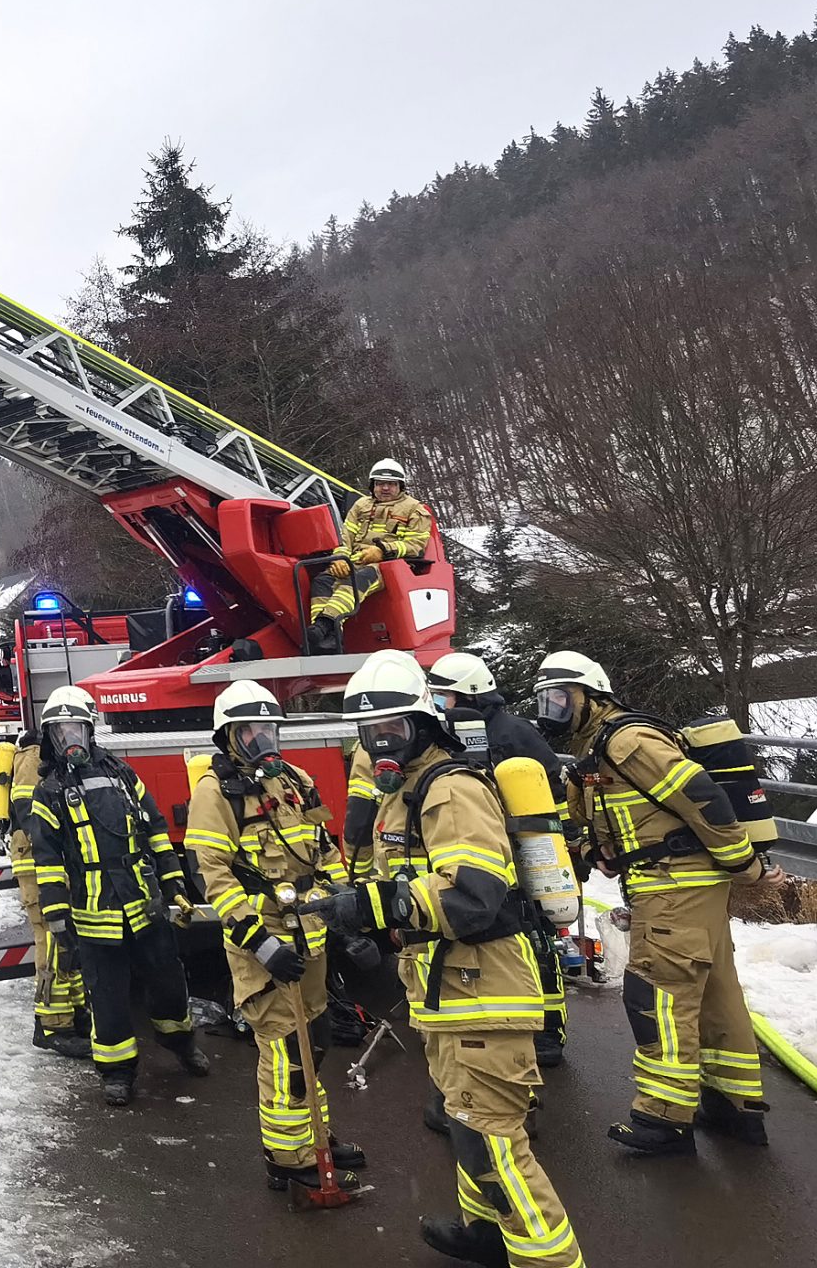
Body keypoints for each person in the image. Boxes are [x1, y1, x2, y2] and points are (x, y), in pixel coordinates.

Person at [322, 652, 580, 1268]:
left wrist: (369, 905)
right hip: (445, 989)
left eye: (393, 729)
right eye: (369, 733)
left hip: (484, 989)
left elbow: (473, 896)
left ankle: (549, 1258)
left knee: (493, 1141)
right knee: (466, 1125)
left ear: (424, 723)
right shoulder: (405, 793)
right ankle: (485, 1233)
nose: (381, 745)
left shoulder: (450, 789)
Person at [536, 649, 768, 1156]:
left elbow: (701, 797)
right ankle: (735, 1107)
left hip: (674, 886)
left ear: (591, 696)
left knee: (658, 996)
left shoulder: (627, 740)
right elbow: (623, 818)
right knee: (715, 994)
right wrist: (598, 852)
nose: (551, 709)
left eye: (560, 698)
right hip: (681, 884)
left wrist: (744, 864)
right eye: (545, 700)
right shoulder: (598, 749)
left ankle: (664, 1118)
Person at [188, 681, 361, 1193]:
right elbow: (213, 877)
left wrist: (345, 913)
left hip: (310, 936)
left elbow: (325, 851)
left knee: (316, 1040)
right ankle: (289, 1158)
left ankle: (315, 1136)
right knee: (285, 1049)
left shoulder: (297, 781)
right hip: (262, 944)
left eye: (269, 729)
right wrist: (262, 944)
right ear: (229, 737)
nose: (264, 739)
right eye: (251, 731)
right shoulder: (215, 793)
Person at [24, 687, 211, 1105]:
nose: (69, 739)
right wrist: (57, 919)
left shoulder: (122, 774)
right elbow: (47, 861)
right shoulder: (49, 792)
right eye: (60, 732)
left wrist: (173, 884)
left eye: (76, 729)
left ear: (89, 731)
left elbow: (156, 829)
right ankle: (117, 1072)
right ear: (51, 737)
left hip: (145, 904)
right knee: (107, 998)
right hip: (94, 913)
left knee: (168, 984)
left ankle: (181, 1044)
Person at [426, 651, 572, 1069]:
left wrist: (560, 848)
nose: (438, 703)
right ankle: (515, 1026)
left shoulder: (510, 734)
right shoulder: (461, 733)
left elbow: (551, 795)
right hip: (492, 857)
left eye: (443, 696)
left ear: (467, 695)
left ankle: (548, 1031)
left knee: (538, 940)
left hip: (524, 858)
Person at [2, 716, 88, 1053]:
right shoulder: (32, 757)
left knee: (69, 940)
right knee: (51, 939)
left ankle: (75, 1013)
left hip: (54, 863)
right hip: (36, 863)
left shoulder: (52, 757)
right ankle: (51, 1025)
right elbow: (29, 812)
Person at [305, 459, 435, 655]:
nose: (385, 488)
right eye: (380, 483)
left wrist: (383, 551)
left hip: (390, 566)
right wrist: (339, 559)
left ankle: (324, 624)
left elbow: (416, 546)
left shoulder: (415, 510)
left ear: (400, 486)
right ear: (372, 485)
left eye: (391, 484)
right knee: (322, 581)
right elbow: (345, 538)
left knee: (356, 580)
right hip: (355, 560)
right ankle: (329, 641)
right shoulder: (361, 505)